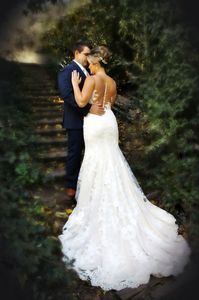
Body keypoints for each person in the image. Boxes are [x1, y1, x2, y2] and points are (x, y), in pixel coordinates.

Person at [59, 46, 191, 291]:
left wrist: (77, 84)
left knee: (97, 161)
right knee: (112, 160)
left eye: (89, 60)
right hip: (109, 122)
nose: (87, 64)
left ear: (95, 62)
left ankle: (97, 207)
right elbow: (108, 103)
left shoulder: (90, 78)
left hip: (96, 125)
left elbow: (80, 102)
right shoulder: (111, 81)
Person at [58, 41, 104, 200]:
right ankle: (71, 186)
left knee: (91, 153)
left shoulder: (89, 72)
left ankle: (87, 185)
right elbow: (67, 95)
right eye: (85, 54)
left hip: (91, 122)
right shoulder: (67, 71)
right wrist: (88, 109)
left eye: (89, 54)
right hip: (75, 121)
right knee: (75, 153)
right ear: (76, 54)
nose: (88, 57)